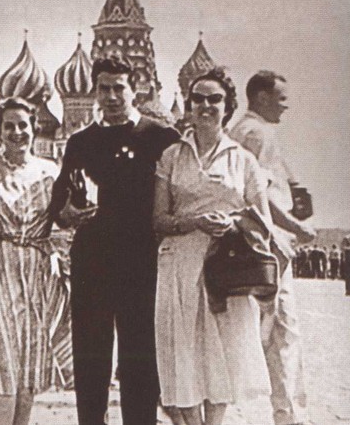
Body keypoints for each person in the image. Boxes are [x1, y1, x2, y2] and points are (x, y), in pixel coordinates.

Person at [49, 56, 180, 425]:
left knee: (140, 358)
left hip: (143, 265)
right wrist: (67, 214)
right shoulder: (80, 141)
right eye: (103, 88)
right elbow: (59, 203)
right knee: (91, 358)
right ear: (94, 91)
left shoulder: (161, 138)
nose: (111, 96)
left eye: (119, 88)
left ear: (134, 89)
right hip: (92, 265)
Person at [154, 67, 271, 425]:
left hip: (227, 269)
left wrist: (232, 223)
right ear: (188, 105)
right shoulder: (172, 156)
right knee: (183, 357)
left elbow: (263, 224)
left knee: (221, 357)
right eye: (198, 99)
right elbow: (158, 220)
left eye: (214, 99)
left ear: (228, 106)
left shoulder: (243, 160)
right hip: (180, 266)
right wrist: (194, 222)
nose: (205, 106)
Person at [0, 97, 70, 424]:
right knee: (3, 353)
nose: (17, 132)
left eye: (23, 125)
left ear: (34, 128)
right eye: (8, 126)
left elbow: (64, 218)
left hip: (39, 267)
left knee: (29, 356)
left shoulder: (50, 171)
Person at [228, 70, 316, 425]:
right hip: (270, 245)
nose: (286, 106)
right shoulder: (257, 133)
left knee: (264, 330)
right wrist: (295, 227)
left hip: (251, 244)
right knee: (282, 332)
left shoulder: (238, 129)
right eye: (281, 99)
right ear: (262, 98)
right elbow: (258, 192)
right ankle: (289, 415)